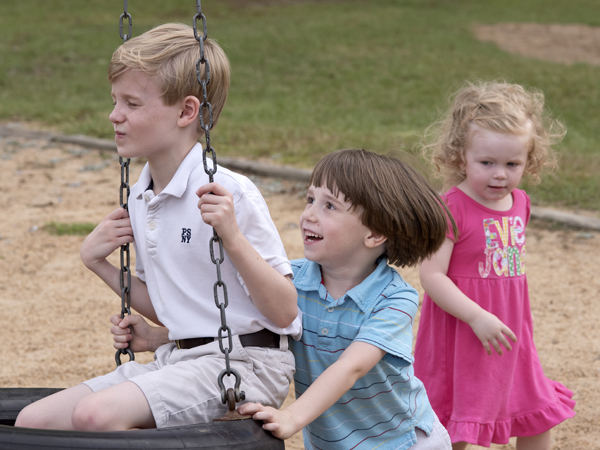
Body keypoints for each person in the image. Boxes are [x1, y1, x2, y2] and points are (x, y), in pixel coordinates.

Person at [15, 23, 300, 431]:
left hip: (244, 364)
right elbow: (172, 307)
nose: (114, 116)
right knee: (34, 421)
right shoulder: (141, 195)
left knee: (94, 416)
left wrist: (233, 238)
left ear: (186, 112)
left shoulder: (228, 193)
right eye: (114, 100)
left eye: (131, 103)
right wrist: (99, 264)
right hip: (178, 359)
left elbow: (285, 310)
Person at [240, 149, 454, 449]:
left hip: (402, 443)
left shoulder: (394, 299)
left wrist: (291, 417)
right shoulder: (292, 281)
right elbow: (237, 320)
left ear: (375, 233)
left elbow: (351, 367)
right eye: (310, 199)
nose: (309, 215)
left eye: (330, 206)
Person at [413, 81, 575, 450]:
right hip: (462, 333)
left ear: (529, 162)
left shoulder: (521, 203)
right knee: (453, 418)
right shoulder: (450, 207)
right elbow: (431, 275)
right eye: (486, 163)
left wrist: (494, 320)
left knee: (535, 410)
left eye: (512, 164)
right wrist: (475, 317)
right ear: (460, 157)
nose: (499, 174)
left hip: (509, 334)